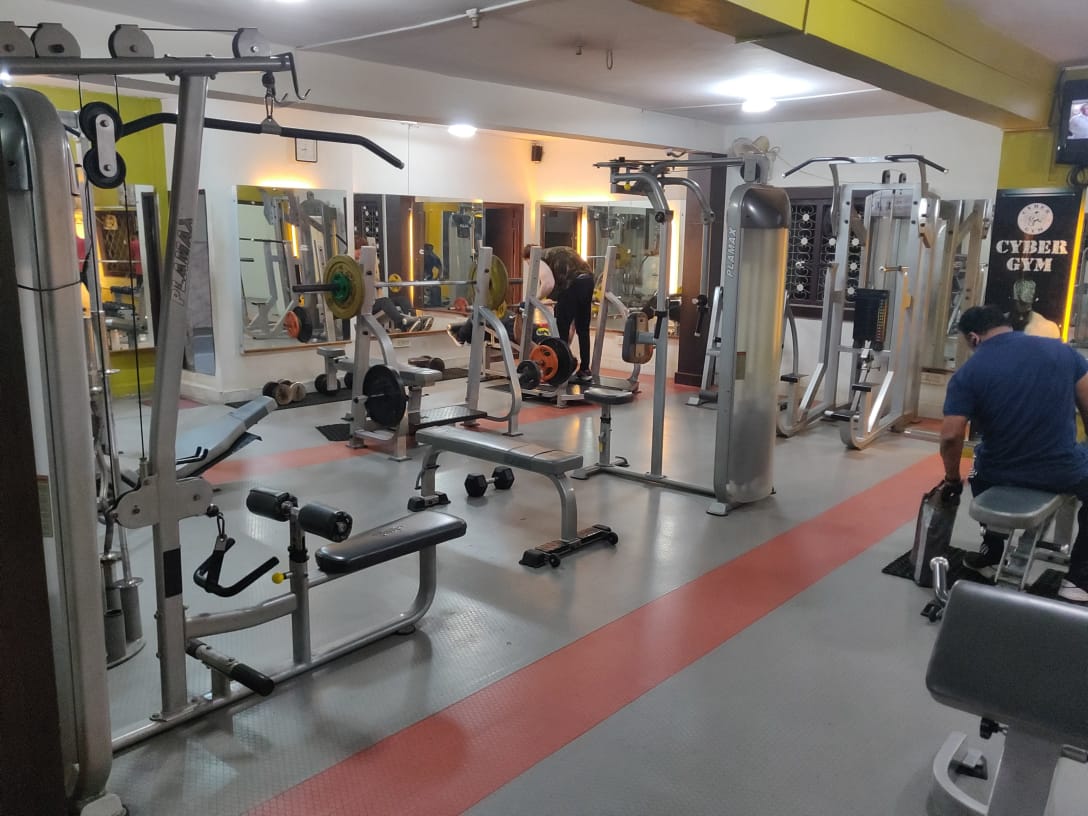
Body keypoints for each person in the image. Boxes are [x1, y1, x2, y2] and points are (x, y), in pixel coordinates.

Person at [939, 304, 1088, 602]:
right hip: (1062, 472)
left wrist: (952, 480)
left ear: (974, 338)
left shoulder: (969, 372)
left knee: (976, 472)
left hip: (998, 472)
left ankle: (992, 553)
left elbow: (951, 436)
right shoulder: (1064, 353)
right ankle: (1078, 580)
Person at [544, 246, 594, 383]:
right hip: (588, 281)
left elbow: (549, 283)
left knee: (562, 328)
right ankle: (585, 369)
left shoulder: (542, 258)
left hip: (573, 284)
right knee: (583, 329)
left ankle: (562, 368)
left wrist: (541, 299)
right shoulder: (561, 251)